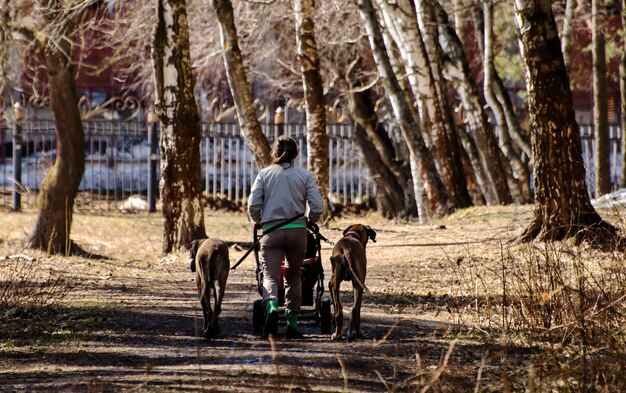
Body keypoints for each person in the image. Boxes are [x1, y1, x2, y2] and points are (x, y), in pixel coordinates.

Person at [247, 136, 323, 338]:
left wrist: (259, 219)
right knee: (293, 276)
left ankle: (271, 304)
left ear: (275, 153)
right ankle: (292, 323)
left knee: (271, 276)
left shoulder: (264, 174)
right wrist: (309, 219)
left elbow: (253, 205)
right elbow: (317, 206)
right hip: (298, 232)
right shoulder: (305, 175)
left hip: (271, 232)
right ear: (296, 154)